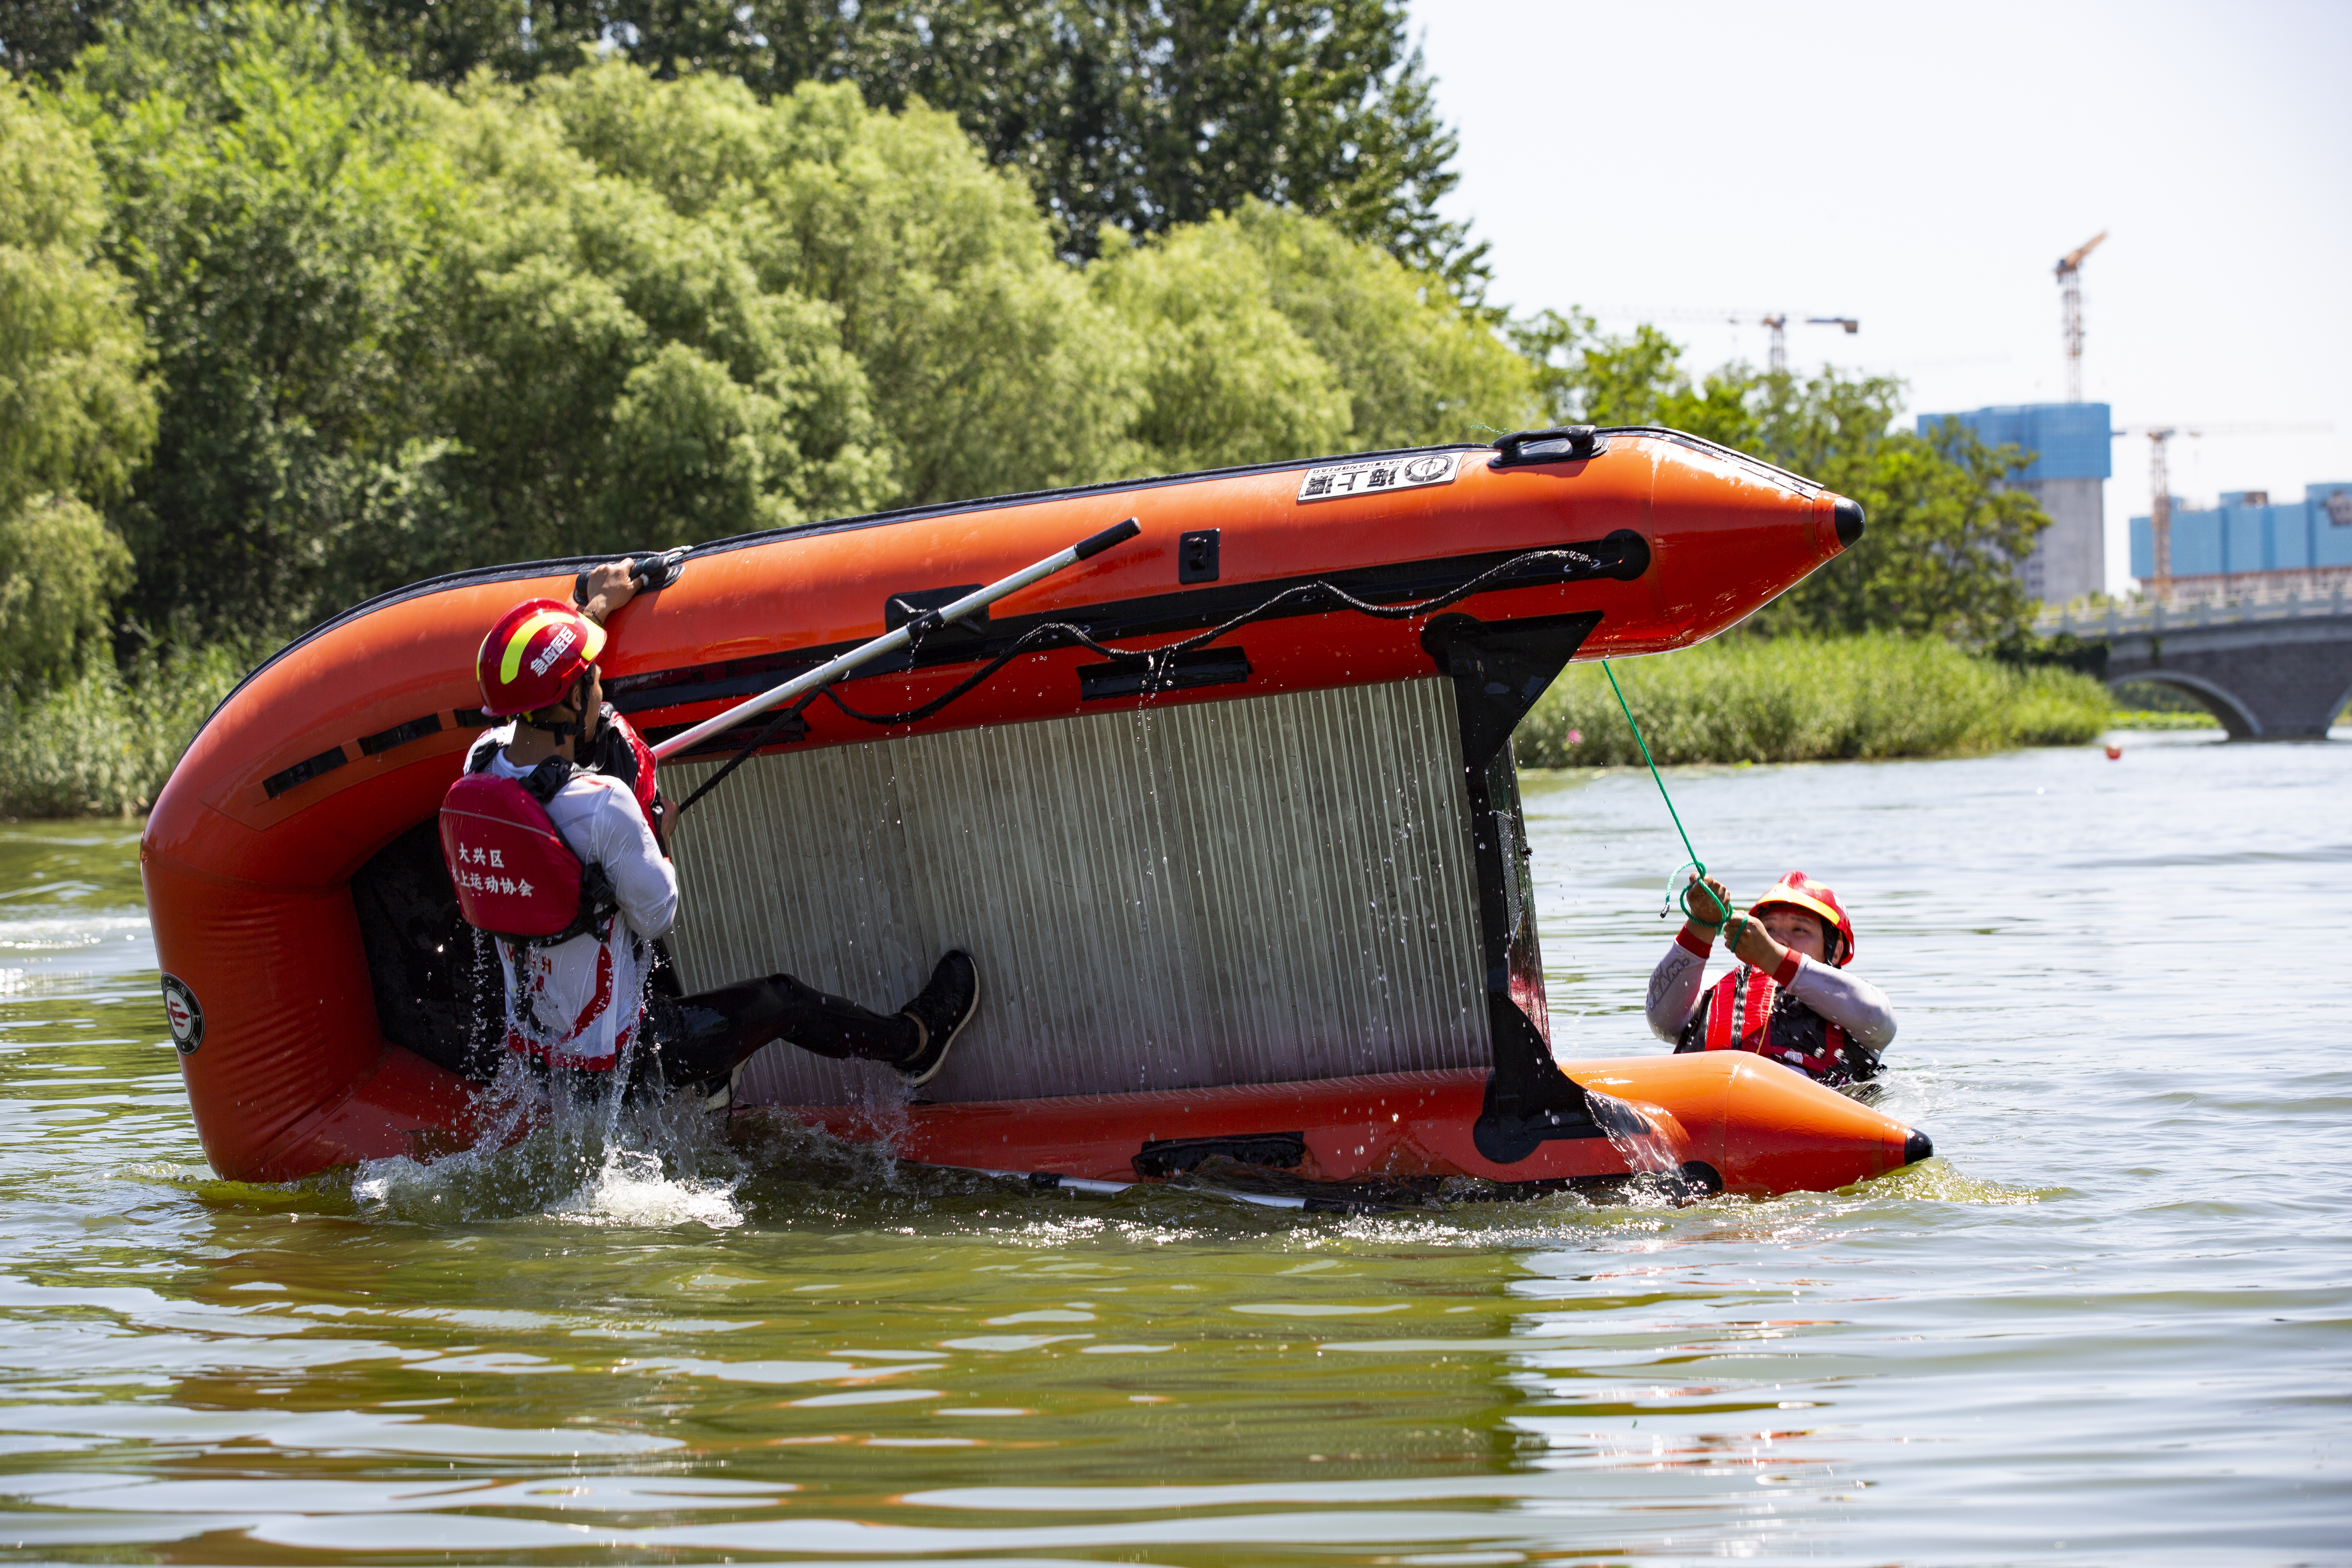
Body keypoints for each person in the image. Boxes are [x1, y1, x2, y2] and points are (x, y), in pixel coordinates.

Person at [443, 559, 979, 1103]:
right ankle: (915, 1043)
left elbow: (531, 708)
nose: (603, 691)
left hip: (544, 1057)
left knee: (607, 927)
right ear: (571, 699)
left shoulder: (481, 765)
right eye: (595, 680)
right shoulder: (605, 807)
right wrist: (660, 837)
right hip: (631, 1058)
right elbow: (656, 917)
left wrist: (590, 612)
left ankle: (718, 1077)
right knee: (782, 1001)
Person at [1644, 871, 1894, 1086]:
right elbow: (1663, 1022)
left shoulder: (1853, 1004)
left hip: (1808, 1110)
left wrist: (1774, 957)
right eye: (1769, 929)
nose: (1780, 941)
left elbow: (1881, 1023)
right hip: (1705, 1100)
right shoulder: (1711, 985)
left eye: (1800, 930)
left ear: (1836, 950)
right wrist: (1700, 927)